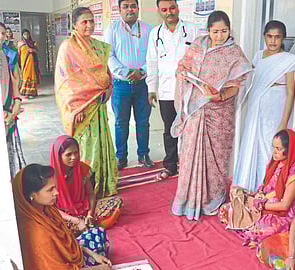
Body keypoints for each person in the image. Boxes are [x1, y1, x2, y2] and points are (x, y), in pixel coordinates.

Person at [170, 10, 252, 220]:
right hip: (197, 112)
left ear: (229, 30)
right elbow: (183, 66)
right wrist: (181, 72)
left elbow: (238, 84)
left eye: (224, 31)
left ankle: (212, 199)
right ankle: (189, 201)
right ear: (208, 31)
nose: (219, 36)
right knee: (190, 155)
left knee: (217, 156)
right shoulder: (198, 46)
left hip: (219, 112)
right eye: (215, 32)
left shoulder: (234, 53)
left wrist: (221, 95)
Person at [55, 7, 119, 198]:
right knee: (86, 150)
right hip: (82, 110)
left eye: (92, 21)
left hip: (98, 105)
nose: (89, 25)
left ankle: (104, 183)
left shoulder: (97, 46)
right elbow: (65, 80)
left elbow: (106, 74)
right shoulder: (68, 47)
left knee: (102, 146)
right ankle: (86, 189)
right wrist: (74, 107)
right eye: (84, 22)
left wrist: (109, 88)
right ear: (74, 25)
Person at [233, 20, 295, 192]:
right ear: (264, 37)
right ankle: (249, 188)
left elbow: (291, 91)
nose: (273, 41)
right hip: (256, 108)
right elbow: (250, 80)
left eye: (277, 37)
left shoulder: (290, 60)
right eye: (269, 36)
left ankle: (268, 190)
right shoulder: (258, 56)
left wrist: (284, 122)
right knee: (252, 143)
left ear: (283, 38)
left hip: (276, 108)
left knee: (270, 147)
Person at [218, 129, 295, 248]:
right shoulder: (275, 164)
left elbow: (284, 206)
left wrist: (258, 205)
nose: (274, 152)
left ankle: (253, 231)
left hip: (280, 213)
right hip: (264, 202)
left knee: (260, 228)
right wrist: (255, 199)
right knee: (226, 209)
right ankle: (249, 223)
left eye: (278, 149)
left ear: (289, 150)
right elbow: (266, 189)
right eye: (273, 147)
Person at [12, 164, 112, 269]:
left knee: (97, 232)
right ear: (32, 195)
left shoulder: (47, 209)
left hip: (72, 259)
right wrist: (96, 269)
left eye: (55, 187)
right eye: (50, 190)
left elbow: (68, 243)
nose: (57, 192)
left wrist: (92, 254)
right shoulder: (38, 234)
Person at [146, 0, 200, 180]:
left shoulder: (193, 30)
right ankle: (170, 166)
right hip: (166, 91)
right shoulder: (155, 34)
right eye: (164, 10)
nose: (169, 12)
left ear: (178, 8)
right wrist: (151, 89)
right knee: (170, 129)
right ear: (159, 12)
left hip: (189, 91)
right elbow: (152, 63)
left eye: (172, 8)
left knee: (190, 129)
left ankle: (189, 164)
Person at [105, 0, 153, 170]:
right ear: (119, 10)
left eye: (133, 6)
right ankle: (121, 157)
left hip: (143, 84)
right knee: (120, 122)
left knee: (143, 122)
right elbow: (109, 56)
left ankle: (143, 154)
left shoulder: (149, 29)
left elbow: (154, 56)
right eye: (125, 6)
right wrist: (127, 73)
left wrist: (142, 71)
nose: (130, 9)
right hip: (121, 84)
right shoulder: (112, 29)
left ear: (138, 8)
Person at [50, 135, 123, 236]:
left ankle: (85, 226)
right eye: (68, 155)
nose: (74, 157)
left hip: (83, 208)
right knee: (53, 227)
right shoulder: (50, 176)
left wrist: (90, 214)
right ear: (58, 156)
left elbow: (91, 195)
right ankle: (86, 227)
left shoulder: (82, 168)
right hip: (63, 215)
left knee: (116, 202)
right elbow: (51, 208)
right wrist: (75, 220)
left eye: (76, 153)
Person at [0, 21, 26, 178]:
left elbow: (13, 81)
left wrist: (16, 103)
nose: (1, 36)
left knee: (11, 155)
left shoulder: (5, 56)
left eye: (3, 32)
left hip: (9, 110)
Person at [17, 29, 40, 97]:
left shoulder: (33, 42)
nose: (26, 36)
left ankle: (32, 92)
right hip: (24, 63)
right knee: (25, 77)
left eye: (27, 34)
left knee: (32, 76)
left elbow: (37, 51)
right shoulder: (20, 43)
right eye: (24, 34)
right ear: (22, 35)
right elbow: (18, 54)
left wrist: (32, 50)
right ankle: (25, 92)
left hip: (32, 63)